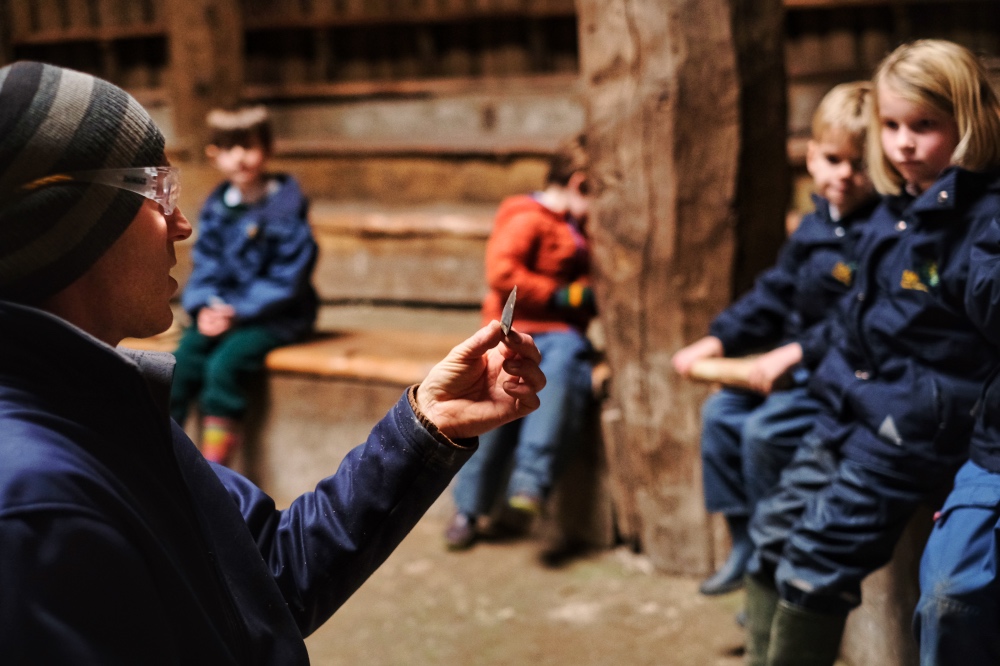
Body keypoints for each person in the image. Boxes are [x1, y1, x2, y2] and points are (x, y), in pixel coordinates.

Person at [0, 61, 545, 663]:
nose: (180, 223)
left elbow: (269, 576)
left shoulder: (103, 400)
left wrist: (428, 423)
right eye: (156, 192)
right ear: (67, 224)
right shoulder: (32, 511)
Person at [741, 40, 1000, 665]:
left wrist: (960, 204)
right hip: (848, 408)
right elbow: (861, 313)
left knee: (815, 561)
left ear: (968, 123)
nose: (903, 143)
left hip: (909, 430)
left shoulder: (980, 219)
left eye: (925, 125)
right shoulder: (895, 211)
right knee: (772, 533)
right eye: (891, 126)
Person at [671, 82, 878, 596]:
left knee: (765, 432)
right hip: (792, 366)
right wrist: (717, 340)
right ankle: (743, 541)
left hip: (834, 374)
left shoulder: (879, 234)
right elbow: (772, 295)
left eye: (861, 163)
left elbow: (860, 316)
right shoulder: (813, 225)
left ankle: (771, 556)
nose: (845, 175)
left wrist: (794, 351)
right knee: (720, 416)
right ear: (811, 157)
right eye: (833, 159)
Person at [443, 134, 596, 550]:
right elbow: (502, 272)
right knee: (494, 404)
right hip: (517, 328)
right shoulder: (530, 217)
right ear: (580, 184)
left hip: (561, 335)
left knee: (563, 375)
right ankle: (468, 508)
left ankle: (530, 482)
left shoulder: (575, 227)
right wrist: (561, 295)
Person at [169, 105, 318, 466]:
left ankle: (214, 470)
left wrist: (238, 310)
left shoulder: (286, 208)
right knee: (182, 361)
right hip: (223, 308)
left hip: (274, 316)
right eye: (229, 149)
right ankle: (163, 452)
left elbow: (288, 277)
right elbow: (206, 263)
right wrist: (205, 306)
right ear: (214, 155)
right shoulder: (219, 207)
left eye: (249, 146)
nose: (240, 158)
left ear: (267, 149)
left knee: (224, 366)